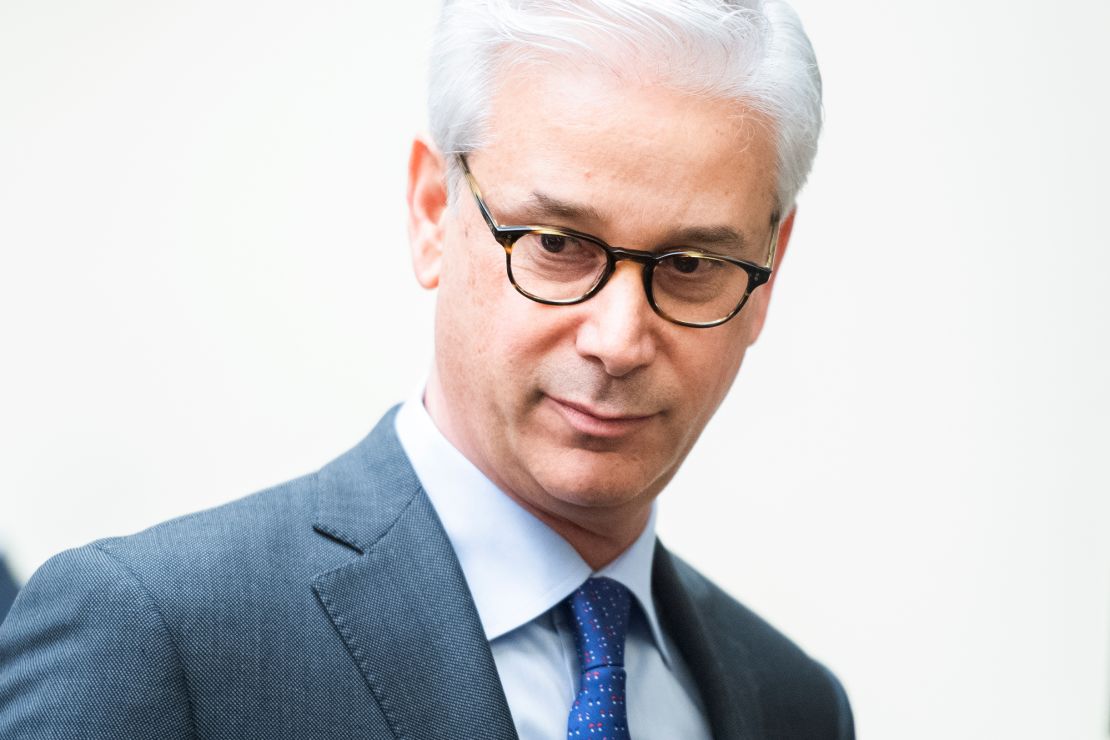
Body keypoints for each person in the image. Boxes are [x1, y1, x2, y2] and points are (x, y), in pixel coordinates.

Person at [0, 1, 853, 737]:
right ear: (432, 213)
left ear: (770, 269)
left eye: (693, 264)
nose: (619, 339)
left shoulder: (797, 708)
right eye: (557, 246)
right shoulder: (155, 637)